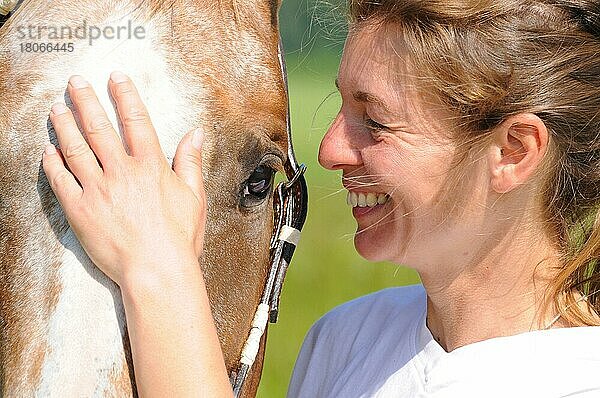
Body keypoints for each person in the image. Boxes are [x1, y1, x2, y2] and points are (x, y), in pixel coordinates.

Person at [42, 0, 600, 396]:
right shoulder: (347, 338)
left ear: (513, 151)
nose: (330, 150)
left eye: (376, 122)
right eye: (341, 108)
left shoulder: (578, 381)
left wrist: (158, 275)